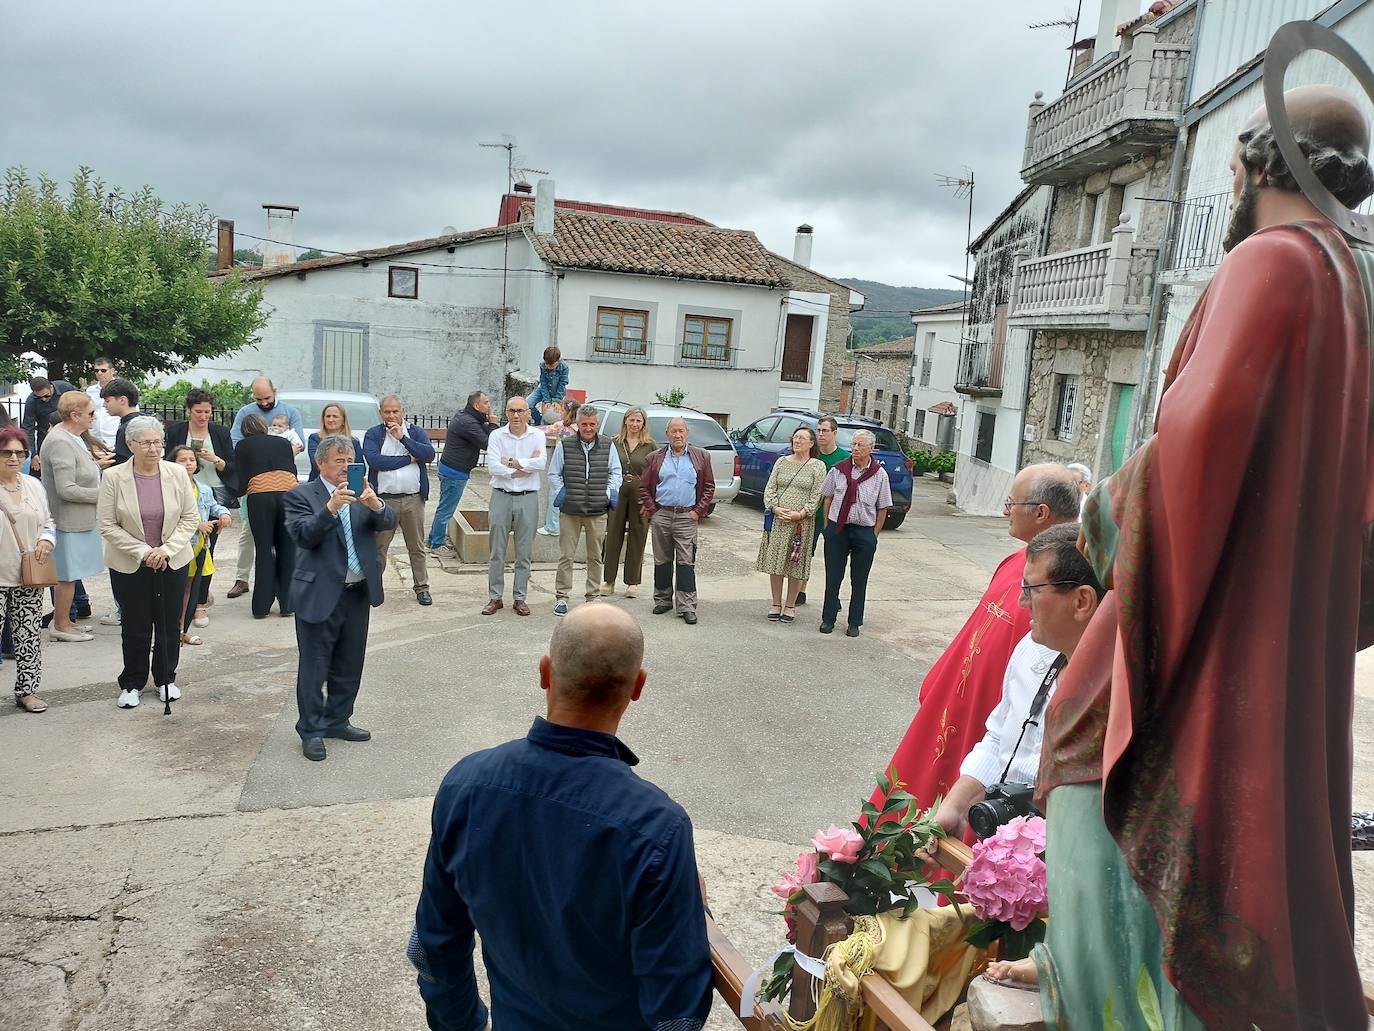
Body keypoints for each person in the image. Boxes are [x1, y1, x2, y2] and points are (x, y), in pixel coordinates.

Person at [1021, 87, 1374, 1031]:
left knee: (1083, 741)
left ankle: (1113, 1010)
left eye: (1231, 169)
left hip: (1217, 613)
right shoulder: (1356, 280)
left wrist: (1106, 506)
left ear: (1265, 167)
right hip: (1268, 612)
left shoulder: (1274, 262)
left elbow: (1200, 431)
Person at [408, 604, 713, 1030]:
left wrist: (464, 1024)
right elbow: (676, 1015)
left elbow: (431, 947)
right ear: (637, 687)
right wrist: (693, 910)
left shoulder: (466, 785)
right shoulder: (657, 829)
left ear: (545, 673)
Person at [874, 464, 1080, 813]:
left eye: (1011, 503)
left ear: (1041, 512)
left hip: (991, 726)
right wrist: (940, 683)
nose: (1004, 510)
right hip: (961, 711)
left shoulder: (1060, 587)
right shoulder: (1016, 562)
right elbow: (975, 635)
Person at [933, 524, 1101, 838]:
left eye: (1031, 590)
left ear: (1082, 602)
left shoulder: (1119, 694)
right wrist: (956, 806)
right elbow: (999, 738)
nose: (1022, 604)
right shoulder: (1030, 651)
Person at [284, 434, 395, 762]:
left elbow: (388, 522)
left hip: (357, 591)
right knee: (315, 666)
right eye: (339, 461)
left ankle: (337, 719)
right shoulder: (301, 494)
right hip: (319, 593)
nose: (346, 467)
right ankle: (311, 730)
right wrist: (331, 508)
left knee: (350, 661)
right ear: (320, 463)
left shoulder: (362, 493)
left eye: (350, 461)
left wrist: (376, 504)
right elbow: (303, 536)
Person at [97, 415, 200, 710]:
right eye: (146, 443)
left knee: (169, 622)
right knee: (135, 624)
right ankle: (132, 683)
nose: (154, 449)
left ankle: (166, 678)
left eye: (158, 442)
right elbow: (107, 524)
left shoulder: (177, 473)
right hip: (131, 562)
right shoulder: (113, 477)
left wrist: (166, 549)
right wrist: (144, 551)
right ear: (130, 444)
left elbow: (189, 518)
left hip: (172, 559)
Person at [39, 391, 109, 643]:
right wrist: (103, 496)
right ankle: (60, 625)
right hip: (67, 520)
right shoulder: (60, 440)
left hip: (78, 519)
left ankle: (66, 621)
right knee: (66, 575)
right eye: (91, 412)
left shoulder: (72, 436)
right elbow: (66, 489)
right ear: (74, 415)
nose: (95, 416)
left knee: (72, 573)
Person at [165, 387, 237, 627]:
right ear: (188, 410)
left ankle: (199, 602)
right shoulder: (176, 430)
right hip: (182, 489)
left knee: (207, 548)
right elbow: (167, 460)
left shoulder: (220, 432)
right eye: (199, 411)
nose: (204, 416)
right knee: (181, 545)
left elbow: (231, 466)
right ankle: (182, 598)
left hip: (213, 489)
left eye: (207, 411)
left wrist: (213, 459)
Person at [227, 378, 303, 599]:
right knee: (249, 536)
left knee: (273, 545)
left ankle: (266, 597)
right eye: (258, 398)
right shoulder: (245, 412)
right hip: (264, 485)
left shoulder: (290, 411)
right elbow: (235, 441)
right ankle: (242, 579)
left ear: (275, 392)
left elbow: (299, 443)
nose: (263, 402)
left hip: (268, 486)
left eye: (267, 398)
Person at [0, 427, 57, 713]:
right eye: (6, 452)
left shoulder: (33, 485)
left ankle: (27, 691)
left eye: (19, 453)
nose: (13, 458)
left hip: (29, 574)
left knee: (28, 633)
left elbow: (49, 521)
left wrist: (47, 540)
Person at [639, 417, 715, 626]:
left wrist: (698, 512)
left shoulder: (701, 456)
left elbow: (708, 487)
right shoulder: (655, 458)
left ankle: (687, 605)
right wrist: (653, 511)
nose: (677, 435)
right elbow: (644, 487)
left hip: (687, 516)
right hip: (662, 514)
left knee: (685, 562)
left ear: (687, 433)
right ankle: (663, 600)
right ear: (667, 434)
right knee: (661, 560)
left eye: (681, 431)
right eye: (673, 431)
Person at [547, 406, 622, 616]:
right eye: (584, 424)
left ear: (597, 424)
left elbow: (616, 472)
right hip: (570, 511)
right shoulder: (566, 445)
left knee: (595, 556)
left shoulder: (608, 445)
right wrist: (562, 493)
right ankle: (562, 597)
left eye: (592, 424)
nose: (588, 428)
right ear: (577, 424)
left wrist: (607, 494)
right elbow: (553, 473)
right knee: (566, 556)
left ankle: (593, 597)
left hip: (598, 511)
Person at [361, 395, 435, 607]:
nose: (392, 416)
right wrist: (408, 459)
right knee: (379, 547)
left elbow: (428, 454)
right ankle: (373, 588)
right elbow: (375, 461)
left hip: (413, 499)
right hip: (383, 501)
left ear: (402, 411)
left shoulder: (415, 432)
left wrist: (403, 438)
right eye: (387, 412)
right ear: (381, 413)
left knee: (417, 546)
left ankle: (422, 588)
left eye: (395, 411)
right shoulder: (374, 434)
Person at [817, 429, 890, 637]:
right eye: (854, 444)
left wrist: (873, 535)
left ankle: (854, 622)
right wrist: (829, 527)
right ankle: (828, 619)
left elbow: (883, 507)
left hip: (864, 531)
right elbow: (827, 497)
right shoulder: (838, 470)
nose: (855, 448)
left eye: (860, 445)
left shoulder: (879, 475)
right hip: (838, 529)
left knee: (859, 579)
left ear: (871, 449)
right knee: (833, 576)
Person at [482, 397, 545, 616]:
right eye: (511, 411)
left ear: (529, 413)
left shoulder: (537, 435)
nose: (516, 415)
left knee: (524, 551)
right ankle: (495, 597)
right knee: (496, 550)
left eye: (520, 411)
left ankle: (520, 597)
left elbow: (541, 464)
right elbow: (492, 466)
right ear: (506, 412)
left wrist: (508, 462)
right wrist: (522, 467)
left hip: (528, 497)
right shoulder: (496, 435)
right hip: (501, 496)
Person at [757, 426, 826, 624]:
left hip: (801, 524)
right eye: (795, 437)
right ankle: (776, 603)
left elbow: (817, 496)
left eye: (802, 438)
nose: (797, 441)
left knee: (795, 565)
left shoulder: (817, 466)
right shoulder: (781, 462)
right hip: (779, 522)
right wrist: (776, 509)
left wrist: (801, 514)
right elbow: (770, 489)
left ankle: (790, 605)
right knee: (776, 563)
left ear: (811, 443)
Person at [232, 414, 298, 619]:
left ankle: (261, 606)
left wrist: (240, 494)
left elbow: (241, 480)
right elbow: (293, 469)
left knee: (264, 549)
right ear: (263, 426)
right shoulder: (283, 442)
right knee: (287, 548)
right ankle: (287, 603)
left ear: (244, 430)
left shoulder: (242, 446)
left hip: (260, 497)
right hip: (288, 494)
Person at [169, 445, 231, 647]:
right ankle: (171, 631)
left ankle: (181, 629)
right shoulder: (169, 487)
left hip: (198, 547)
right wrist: (197, 524)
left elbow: (214, 505)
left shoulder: (203, 488)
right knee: (175, 590)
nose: (188, 463)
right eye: (182, 460)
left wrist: (224, 514)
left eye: (191, 460)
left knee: (190, 589)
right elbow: (170, 515)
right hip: (179, 547)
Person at [428, 390, 498, 556]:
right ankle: (437, 544)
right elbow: (488, 443)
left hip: (453, 469)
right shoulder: (468, 422)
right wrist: (493, 424)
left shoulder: (469, 417)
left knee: (444, 507)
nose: (489, 406)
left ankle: (434, 539)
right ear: (476, 405)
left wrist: (487, 423)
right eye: (486, 403)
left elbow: (482, 434)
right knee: (446, 509)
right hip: (454, 472)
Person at [601, 406, 655, 599]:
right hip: (617, 492)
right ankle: (609, 580)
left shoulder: (650, 446)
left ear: (643, 424)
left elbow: (654, 475)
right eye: (631, 420)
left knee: (638, 535)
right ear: (625, 421)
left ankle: (633, 582)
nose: (634, 424)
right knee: (613, 535)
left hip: (640, 494)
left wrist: (649, 501)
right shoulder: (614, 442)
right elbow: (605, 468)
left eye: (638, 421)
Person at [797, 416, 849, 606]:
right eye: (818, 430)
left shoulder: (843, 458)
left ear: (834, 433)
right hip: (810, 514)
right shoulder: (812, 455)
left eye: (825, 431)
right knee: (804, 554)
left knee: (834, 559)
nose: (821, 434)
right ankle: (800, 591)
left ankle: (833, 597)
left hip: (833, 517)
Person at [537, 399, 578, 537]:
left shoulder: (560, 426)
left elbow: (544, 431)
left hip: (560, 467)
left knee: (555, 494)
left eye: (561, 410)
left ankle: (552, 526)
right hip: (576, 467)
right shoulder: (580, 428)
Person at [22, 375, 78, 475]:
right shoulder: (31, 401)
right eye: (39, 397)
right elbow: (28, 428)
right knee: (40, 471)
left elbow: (80, 404)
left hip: (70, 434)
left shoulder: (65, 387)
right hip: (45, 437)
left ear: (51, 387)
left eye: (46, 396)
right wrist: (33, 454)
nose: (43, 399)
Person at [306, 402, 358, 481]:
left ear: (343, 420)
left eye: (335, 416)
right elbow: (316, 463)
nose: (331, 419)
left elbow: (358, 467)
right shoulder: (315, 438)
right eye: (328, 416)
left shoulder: (354, 442)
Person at [525, 344, 570, 426]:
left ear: (558, 361)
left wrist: (556, 400)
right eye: (547, 364)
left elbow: (562, 384)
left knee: (552, 414)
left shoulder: (564, 367)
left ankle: (544, 424)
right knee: (528, 403)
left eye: (552, 365)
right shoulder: (542, 365)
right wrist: (547, 400)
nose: (548, 367)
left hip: (557, 391)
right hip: (543, 389)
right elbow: (543, 382)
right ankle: (538, 420)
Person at [86, 356, 121, 449]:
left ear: (112, 371)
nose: (100, 373)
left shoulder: (122, 388)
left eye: (103, 370)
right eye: (96, 371)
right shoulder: (90, 391)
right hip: (95, 438)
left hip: (114, 437)